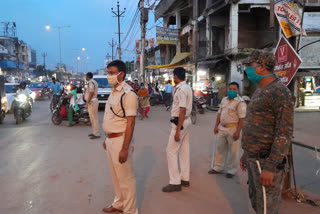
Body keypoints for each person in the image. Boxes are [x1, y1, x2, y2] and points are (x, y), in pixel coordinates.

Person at [240, 51, 294, 214]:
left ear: (262, 67)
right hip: (254, 159)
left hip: (266, 162)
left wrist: (271, 167)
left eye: (249, 66)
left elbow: (284, 133)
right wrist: (246, 153)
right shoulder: (260, 90)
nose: (247, 70)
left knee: (267, 209)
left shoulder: (280, 92)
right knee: (258, 204)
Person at [102, 60, 138, 214]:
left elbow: (130, 124)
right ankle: (119, 203)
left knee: (126, 179)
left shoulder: (128, 94)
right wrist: (107, 138)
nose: (109, 76)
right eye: (108, 72)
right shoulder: (114, 91)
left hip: (121, 141)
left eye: (112, 73)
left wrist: (124, 148)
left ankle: (130, 210)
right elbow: (113, 117)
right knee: (116, 177)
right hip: (111, 140)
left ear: (121, 74)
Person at [162, 67, 193, 192]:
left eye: (173, 76)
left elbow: (182, 109)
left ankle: (175, 182)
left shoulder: (181, 89)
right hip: (186, 121)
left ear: (175, 76)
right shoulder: (187, 87)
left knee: (171, 151)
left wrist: (178, 130)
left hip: (180, 122)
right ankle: (185, 178)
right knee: (184, 151)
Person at [208, 82, 247, 178]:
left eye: (234, 89)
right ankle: (218, 167)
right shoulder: (224, 100)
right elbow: (219, 113)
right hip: (222, 128)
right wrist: (216, 126)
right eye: (230, 89)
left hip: (233, 128)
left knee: (233, 151)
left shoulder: (240, 102)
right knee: (220, 148)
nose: (232, 91)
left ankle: (231, 170)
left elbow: (242, 119)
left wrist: (238, 132)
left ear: (238, 90)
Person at [85, 72, 100, 139]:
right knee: (92, 118)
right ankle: (94, 132)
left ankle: (96, 133)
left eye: (86, 76)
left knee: (94, 118)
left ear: (88, 77)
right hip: (92, 102)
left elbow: (91, 93)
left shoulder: (91, 83)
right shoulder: (93, 82)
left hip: (92, 102)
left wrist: (87, 103)